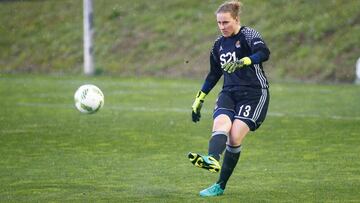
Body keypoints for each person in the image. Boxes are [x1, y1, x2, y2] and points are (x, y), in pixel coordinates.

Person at [188, 0, 270, 197]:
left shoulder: (249, 34)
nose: (222, 27)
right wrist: (199, 98)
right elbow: (214, 74)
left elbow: (264, 52)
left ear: (236, 19)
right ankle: (212, 159)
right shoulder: (218, 44)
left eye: (226, 22)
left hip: (254, 93)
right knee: (221, 124)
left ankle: (220, 185)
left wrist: (245, 61)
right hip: (229, 92)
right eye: (219, 23)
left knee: (233, 138)